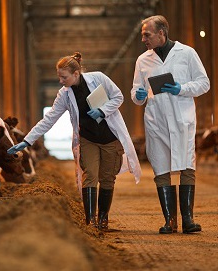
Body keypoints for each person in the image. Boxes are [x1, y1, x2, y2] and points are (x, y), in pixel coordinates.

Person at [8, 52, 141, 230]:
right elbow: (49, 119)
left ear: (76, 74)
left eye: (64, 77)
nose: (61, 81)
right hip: (88, 139)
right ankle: (90, 221)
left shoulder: (99, 78)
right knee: (90, 176)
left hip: (110, 138)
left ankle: (103, 219)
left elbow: (118, 97)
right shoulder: (64, 94)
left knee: (108, 178)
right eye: (59, 77)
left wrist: (102, 111)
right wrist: (27, 141)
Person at [131, 15, 210, 234]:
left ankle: (188, 220)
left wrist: (181, 88)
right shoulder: (142, 60)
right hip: (156, 121)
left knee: (187, 165)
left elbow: (204, 83)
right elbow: (136, 92)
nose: (143, 39)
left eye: (147, 35)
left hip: (182, 119)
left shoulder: (187, 53)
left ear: (161, 33)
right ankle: (170, 222)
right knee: (161, 168)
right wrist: (138, 95)